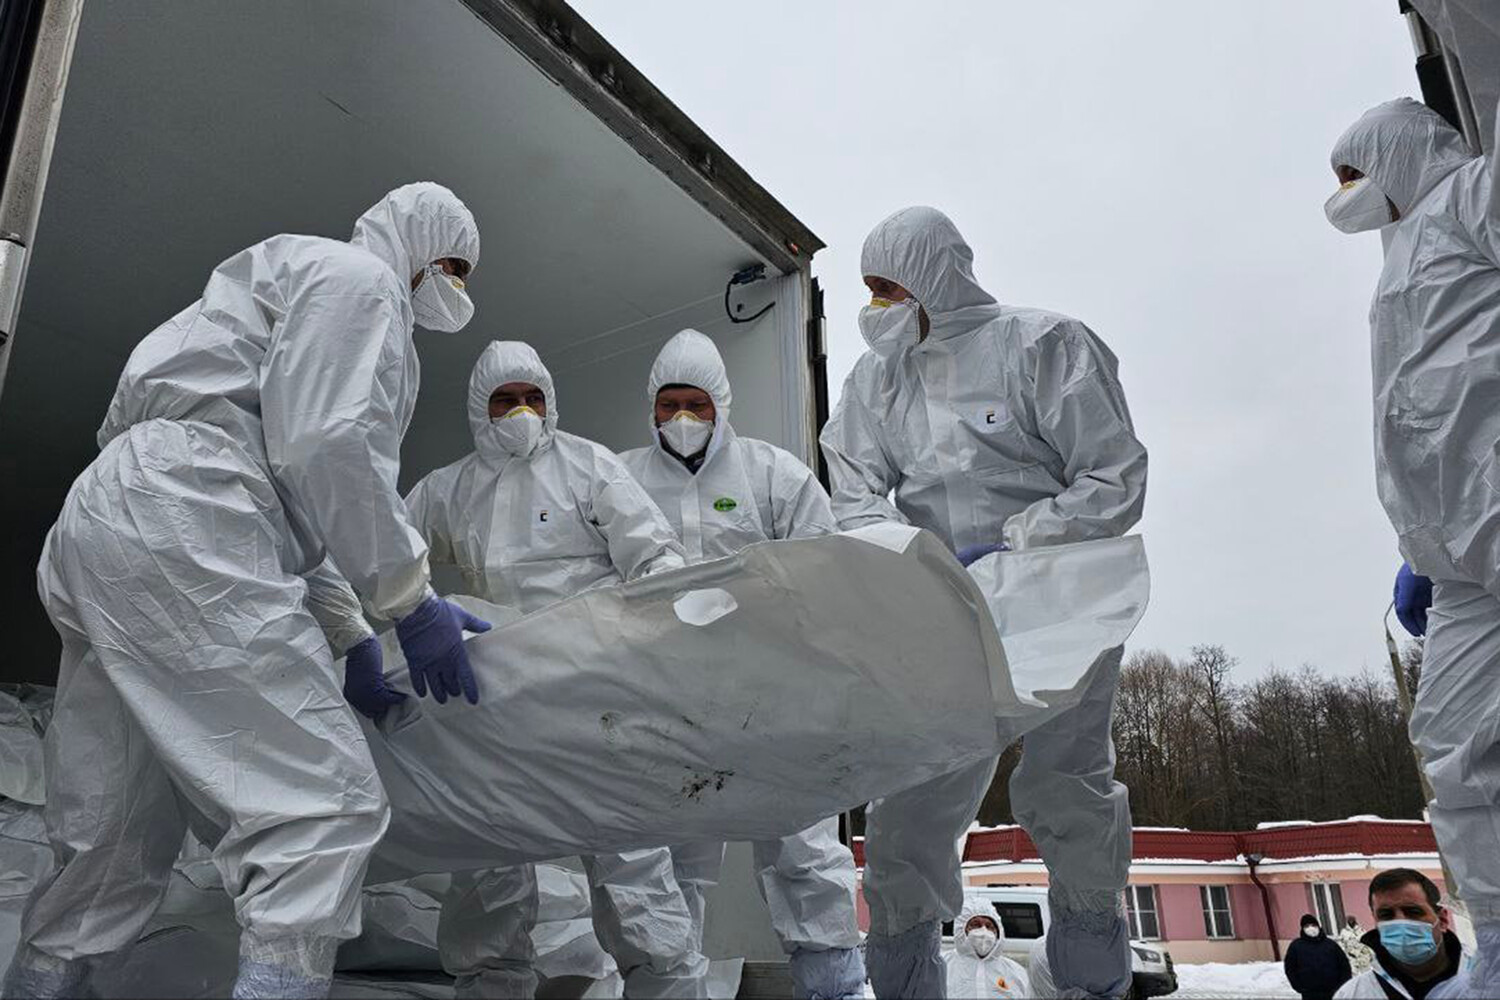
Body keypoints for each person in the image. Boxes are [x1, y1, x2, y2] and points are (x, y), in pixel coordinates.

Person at [2, 183, 488, 1000]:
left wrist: (351, 634)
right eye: (454, 266)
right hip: (192, 511)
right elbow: (323, 446)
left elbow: (288, 489)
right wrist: (410, 602)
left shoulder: (297, 272)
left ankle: (42, 981)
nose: (457, 289)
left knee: (114, 829)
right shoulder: (363, 281)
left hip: (117, 513)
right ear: (420, 244)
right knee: (322, 806)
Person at [819, 206, 1147, 999]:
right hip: (942, 612)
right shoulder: (876, 381)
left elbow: (1113, 479)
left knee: (1067, 782)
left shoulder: (1044, 345)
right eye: (869, 290)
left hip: (1061, 603)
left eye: (890, 288)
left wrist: (1014, 543)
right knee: (913, 795)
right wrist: (911, 557)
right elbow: (851, 489)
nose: (876, 306)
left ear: (935, 278)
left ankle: (1091, 973)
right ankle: (905, 977)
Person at [404, 339, 707, 998]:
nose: (522, 412)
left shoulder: (587, 465)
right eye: (505, 400)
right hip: (495, 706)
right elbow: (389, 562)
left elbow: (655, 557)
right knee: (488, 871)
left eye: (532, 397)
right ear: (479, 409)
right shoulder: (447, 490)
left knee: (629, 864)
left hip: (590, 695)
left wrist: (651, 638)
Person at [620, 328, 867, 1000]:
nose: (682, 418)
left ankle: (835, 988)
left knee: (803, 848)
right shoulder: (620, 481)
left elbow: (823, 572)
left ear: (721, 405)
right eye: (669, 404)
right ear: (651, 408)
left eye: (696, 404)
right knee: (666, 863)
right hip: (666, 704)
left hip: (769, 698)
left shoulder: (772, 474)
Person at [1326, 96, 1500, 995]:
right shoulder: (1398, 255)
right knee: (1453, 743)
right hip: (1455, 554)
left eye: (1351, 172)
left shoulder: (1473, 193)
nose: (1342, 194)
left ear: (1397, 153)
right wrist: (1424, 545)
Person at [1334, 869, 1476, 999]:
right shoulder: (1353, 994)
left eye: (1413, 912)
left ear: (1443, 920)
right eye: (1386, 915)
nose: (1400, 922)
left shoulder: (1484, 982)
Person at [943, 896, 1029, 1000]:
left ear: (998, 932)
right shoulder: (943, 967)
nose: (983, 931)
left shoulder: (1016, 972)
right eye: (976, 925)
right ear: (961, 929)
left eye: (989, 926)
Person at [1284, 914, 1353, 1000]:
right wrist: (1298, 987)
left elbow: (1344, 966)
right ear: (1302, 929)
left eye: (1313, 925)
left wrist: (1343, 985)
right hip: (1310, 994)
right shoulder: (1296, 946)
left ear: (1318, 926)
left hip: (1333, 992)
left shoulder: (1330, 945)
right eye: (1307, 926)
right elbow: (1290, 968)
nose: (1311, 928)